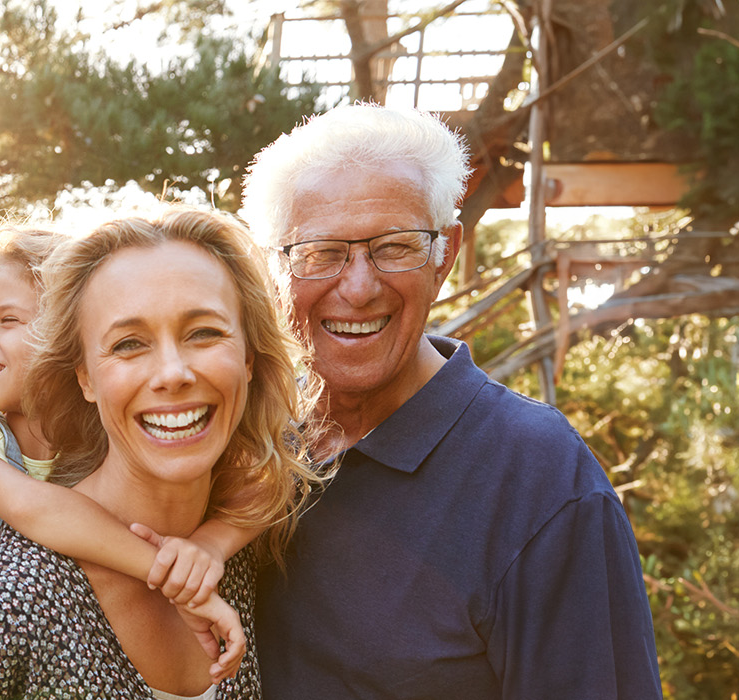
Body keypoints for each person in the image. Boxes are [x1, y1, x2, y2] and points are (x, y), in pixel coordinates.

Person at [239, 104, 663, 699]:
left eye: (395, 247)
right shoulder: (242, 447)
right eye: (322, 251)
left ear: (446, 255)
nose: (359, 287)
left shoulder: (540, 480)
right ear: (271, 269)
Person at [0, 207, 323, 699]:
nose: (173, 372)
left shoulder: (230, 550)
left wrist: (211, 549)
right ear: (84, 376)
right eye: (129, 344)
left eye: (204, 332)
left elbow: (284, 465)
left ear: (249, 358)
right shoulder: (17, 595)